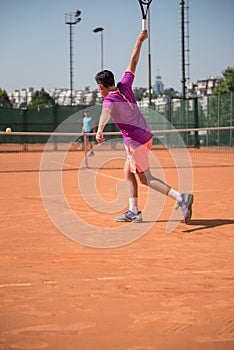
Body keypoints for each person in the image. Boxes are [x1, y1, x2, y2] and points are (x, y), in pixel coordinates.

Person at [95, 30, 194, 224]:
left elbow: (105, 112)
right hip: (145, 135)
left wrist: (99, 130)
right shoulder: (125, 85)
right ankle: (134, 211)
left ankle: (181, 198)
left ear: (101, 87)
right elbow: (133, 62)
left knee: (146, 178)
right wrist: (139, 41)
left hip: (135, 142)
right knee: (127, 169)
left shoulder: (109, 100)